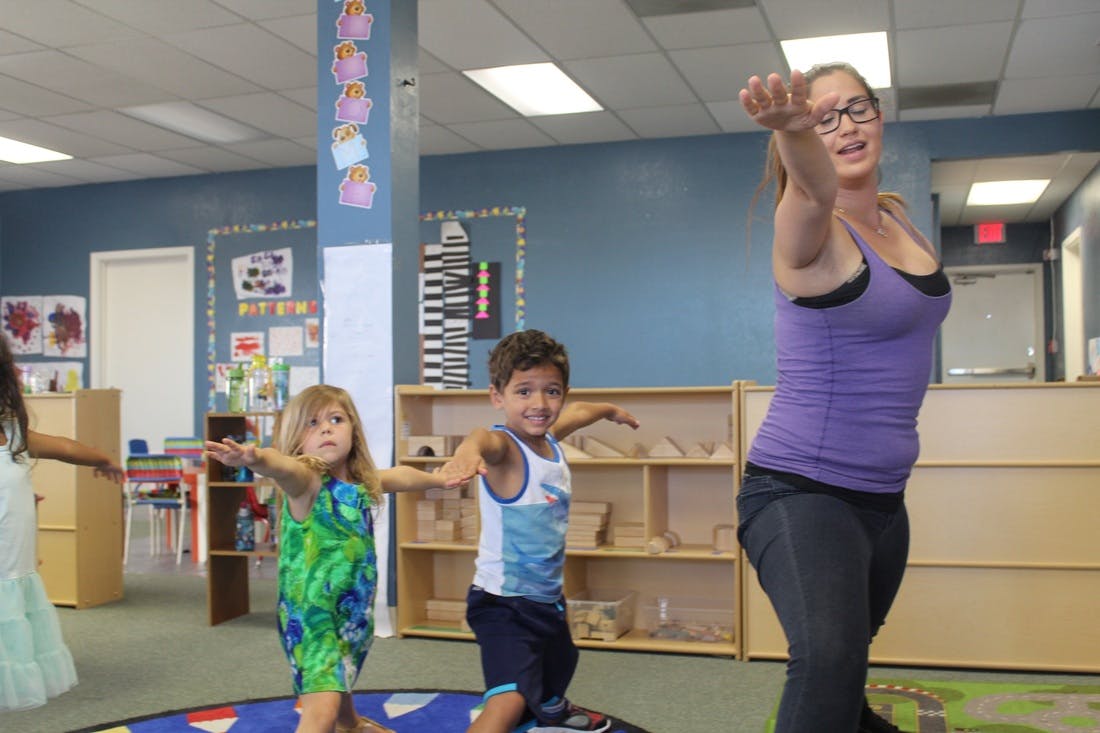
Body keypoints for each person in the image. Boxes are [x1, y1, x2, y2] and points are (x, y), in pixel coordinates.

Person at [736, 63, 952, 733]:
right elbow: (816, 184)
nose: (846, 126)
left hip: (884, 502)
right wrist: (795, 133)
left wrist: (807, 129)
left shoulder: (899, 222)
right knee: (827, 661)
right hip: (801, 491)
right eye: (825, 117)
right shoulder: (807, 228)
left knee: (846, 669)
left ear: (880, 115)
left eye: (857, 108)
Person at [205, 384, 466, 733]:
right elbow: (282, 467)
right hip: (312, 615)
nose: (326, 428)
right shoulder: (307, 481)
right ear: (296, 440)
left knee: (338, 673)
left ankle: (351, 724)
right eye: (312, 423)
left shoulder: (362, 484)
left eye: (336, 419)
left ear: (353, 431)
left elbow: (400, 475)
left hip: (351, 610)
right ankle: (339, 722)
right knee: (321, 704)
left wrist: (437, 478)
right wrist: (255, 459)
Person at [444, 329, 639, 733]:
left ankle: (550, 706)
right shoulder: (505, 449)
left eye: (551, 391)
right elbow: (483, 439)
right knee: (507, 702)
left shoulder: (548, 439)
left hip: (545, 597)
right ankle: (528, 707)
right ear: (498, 396)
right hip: (503, 604)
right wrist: (467, 452)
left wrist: (609, 411)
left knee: (562, 659)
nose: (539, 403)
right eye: (524, 391)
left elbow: (582, 411)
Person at [0, 335, 125, 711]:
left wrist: (102, 459)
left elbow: (66, 448)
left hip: (11, 563)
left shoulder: (15, 436)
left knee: (12, 624)